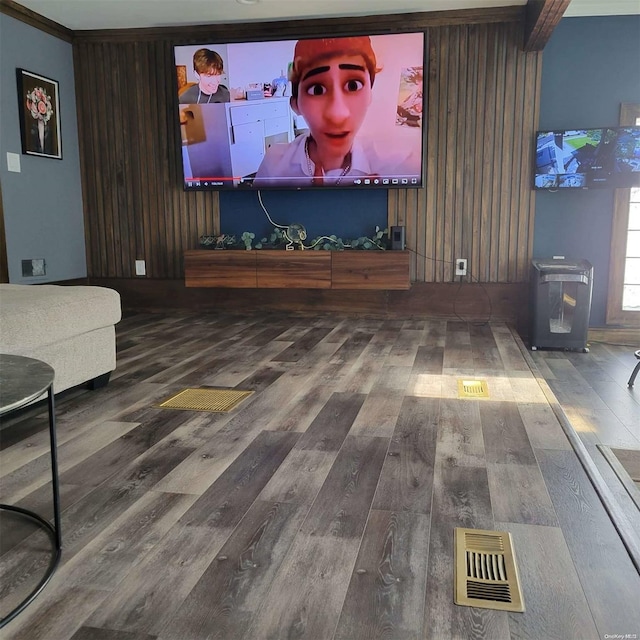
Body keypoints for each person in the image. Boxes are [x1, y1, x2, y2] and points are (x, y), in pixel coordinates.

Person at [253, 36, 419, 187]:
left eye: (353, 85)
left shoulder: (401, 166)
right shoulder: (274, 164)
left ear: (369, 95)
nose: (337, 114)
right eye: (317, 89)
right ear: (296, 105)